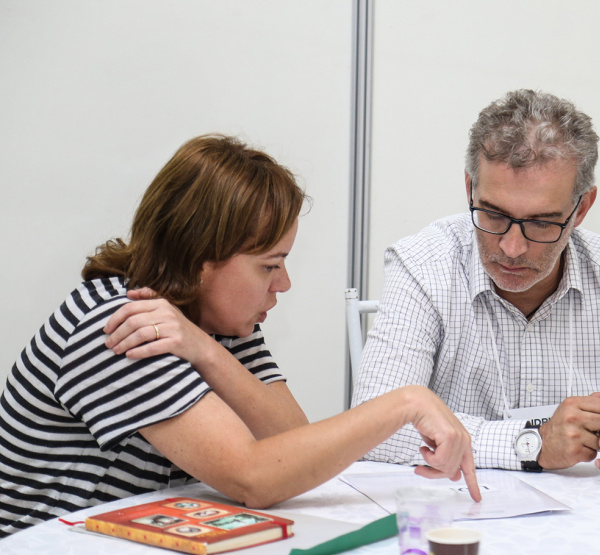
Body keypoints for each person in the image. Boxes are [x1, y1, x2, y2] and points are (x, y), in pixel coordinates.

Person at [0, 135, 480, 538]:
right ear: (200, 259)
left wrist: (206, 350)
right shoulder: (122, 322)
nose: (283, 284)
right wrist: (406, 403)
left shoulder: (211, 324)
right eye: (269, 265)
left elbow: (293, 442)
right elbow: (254, 476)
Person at [352, 89, 600, 484]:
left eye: (541, 223)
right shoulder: (422, 265)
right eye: (493, 214)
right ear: (470, 188)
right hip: (455, 514)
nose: (512, 247)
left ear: (582, 208)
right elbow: (371, 427)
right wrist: (533, 443)